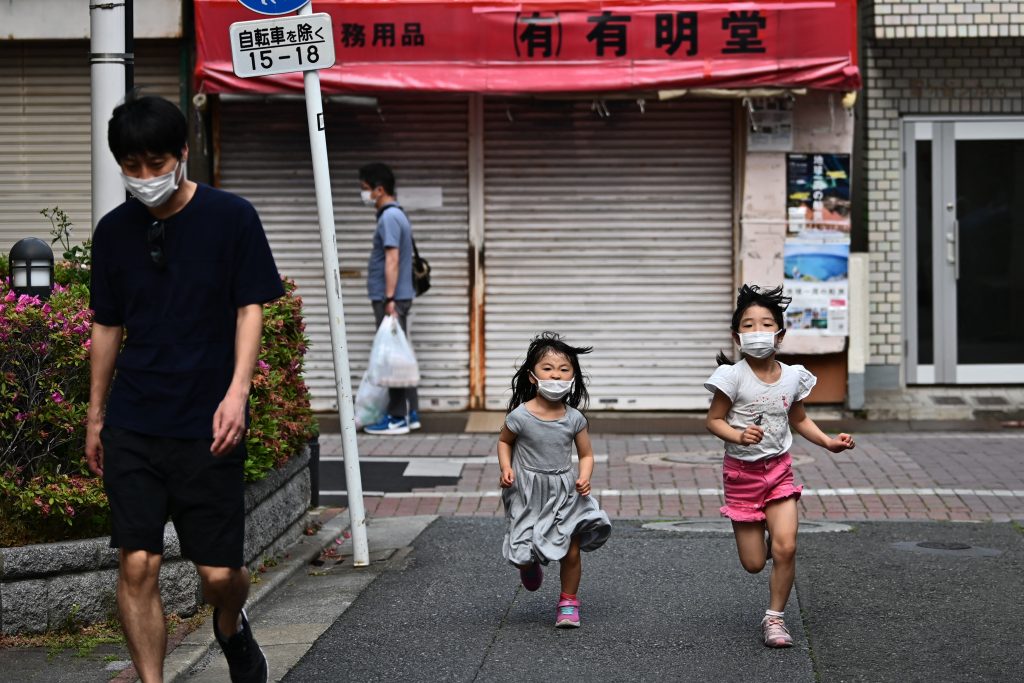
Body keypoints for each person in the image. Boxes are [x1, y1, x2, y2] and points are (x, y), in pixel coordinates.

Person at [85, 94, 283, 683]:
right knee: (138, 562)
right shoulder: (114, 232)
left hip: (207, 424)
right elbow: (106, 325)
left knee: (219, 575)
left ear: (183, 153)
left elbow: (250, 307)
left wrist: (237, 393)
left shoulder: (231, 217)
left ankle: (230, 623)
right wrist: (96, 416)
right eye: (131, 165)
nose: (144, 177)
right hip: (136, 422)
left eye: (155, 162)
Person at [704, 284, 855, 648]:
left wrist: (829, 442)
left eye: (766, 324)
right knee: (755, 563)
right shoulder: (732, 377)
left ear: (781, 334)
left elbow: (799, 420)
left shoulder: (793, 376)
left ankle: (775, 620)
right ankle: (767, 536)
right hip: (741, 477)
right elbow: (714, 420)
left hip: (778, 471)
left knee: (786, 548)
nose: (758, 332)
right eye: (749, 325)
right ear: (738, 336)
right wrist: (738, 436)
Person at [497, 332, 612, 628]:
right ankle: (528, 563)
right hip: (528, 491)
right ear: (533, 377)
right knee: (522, 550)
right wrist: (506, 468)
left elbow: (586, 455)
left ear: (573, 377)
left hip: (564, 491)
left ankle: (569, 602)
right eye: (548, 368)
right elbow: (504, 442)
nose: (556, 375)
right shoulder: (520, 416)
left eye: (564, 369)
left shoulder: (574, 418)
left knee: (570, 550)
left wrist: (584, 476)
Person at [358, 162, 420, 435]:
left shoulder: (389, 218)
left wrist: (390, 298)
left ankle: (397, 418)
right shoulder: (395, 215)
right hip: (396, 296)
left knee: (393, 357)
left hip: (392, 298)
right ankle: (411, 413)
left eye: (365, 189)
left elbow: (392, 258)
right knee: (399, 352)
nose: (364, 195)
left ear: (379, 189)